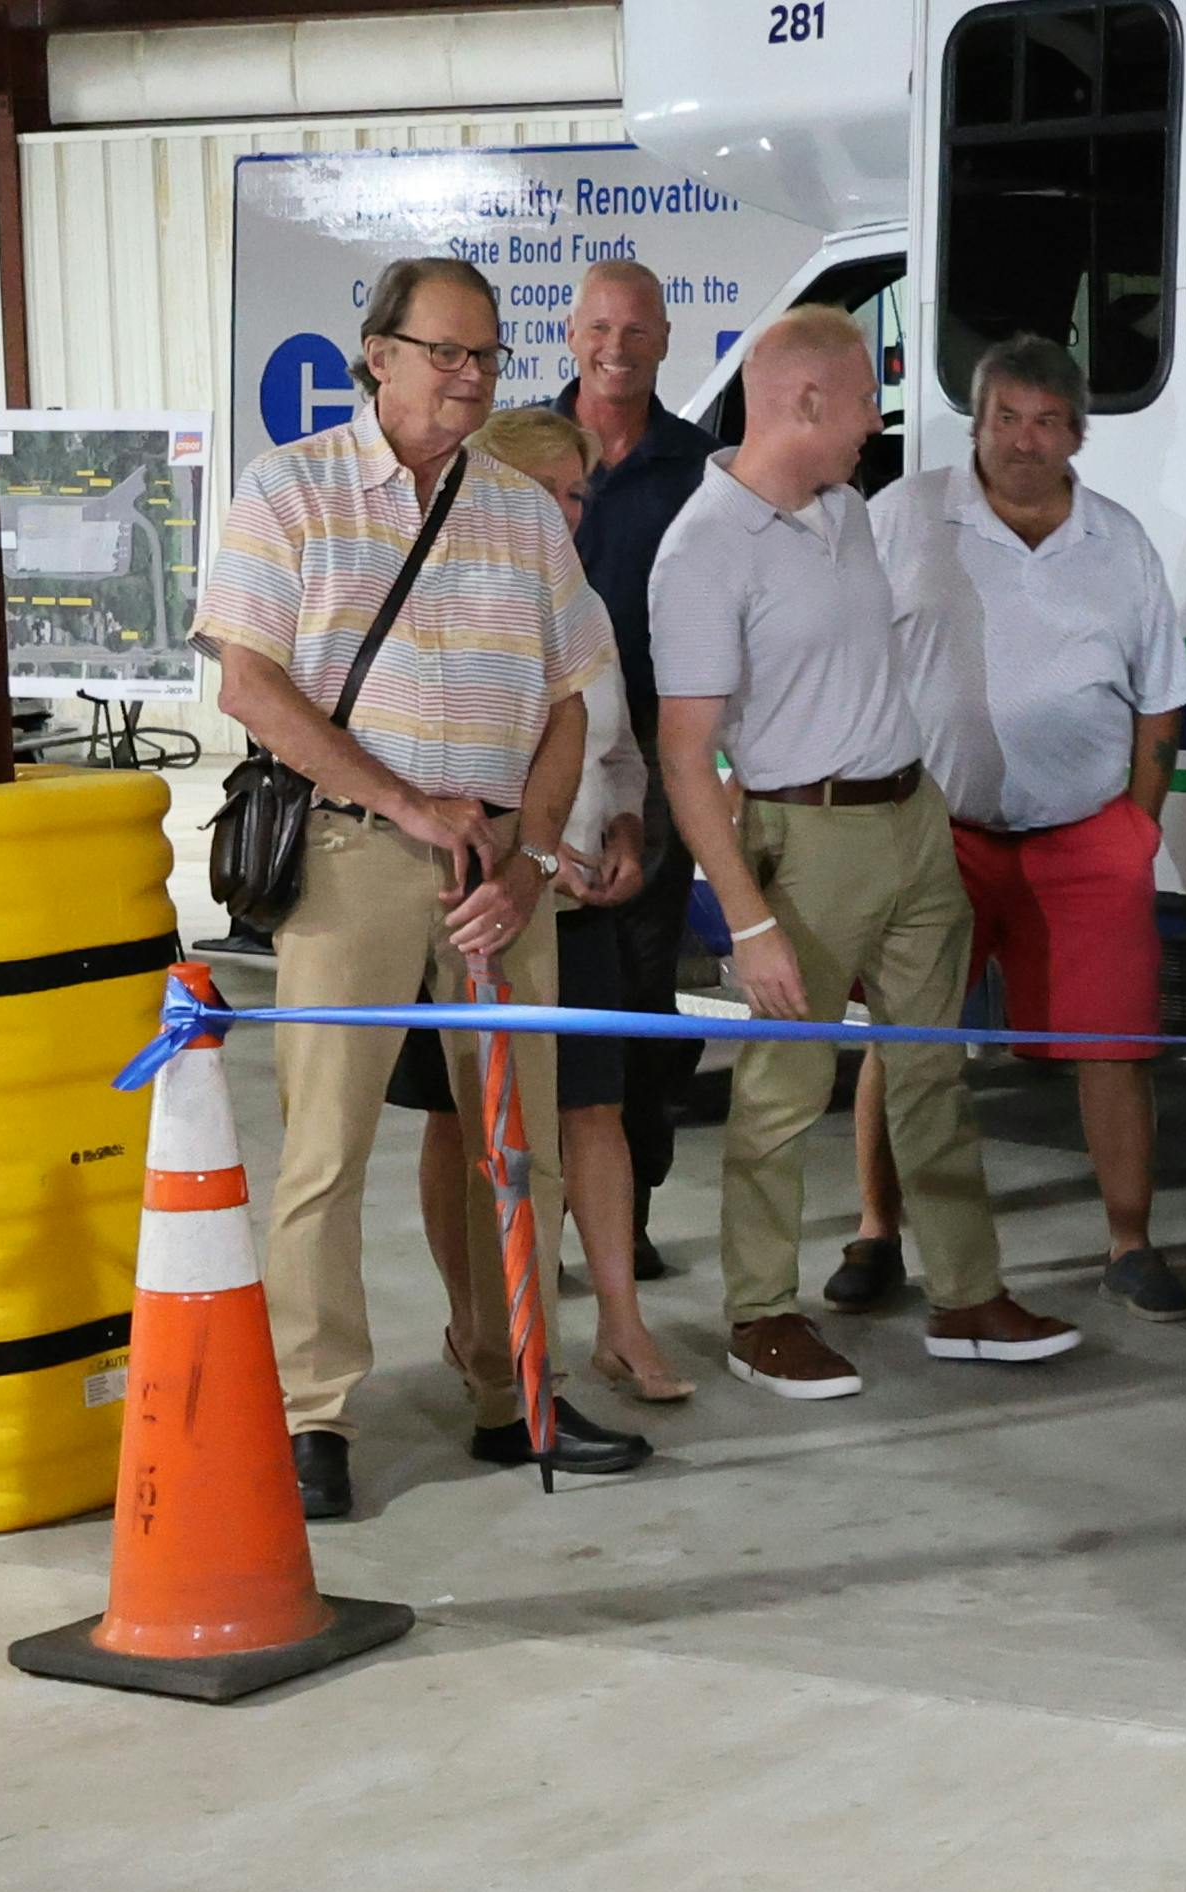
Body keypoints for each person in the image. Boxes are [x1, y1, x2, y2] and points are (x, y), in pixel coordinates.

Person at [196, 255, 649, 1521]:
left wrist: (525, 855)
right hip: (354, 860)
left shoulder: (518, 512)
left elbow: (569, 702)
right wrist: (409, 806)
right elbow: (249, 686)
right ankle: (313, 1417)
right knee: (326, 1151)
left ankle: (519, 1396)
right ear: (377, 355)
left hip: (502, 872)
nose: (467, 377)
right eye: (444, 352)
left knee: (521, 1154)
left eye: (487, 357)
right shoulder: (290, 492)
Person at [649, 303, 1080, 1399]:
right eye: (861, 402)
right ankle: (759, 1314)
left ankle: (967, 1297)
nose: (873, 424)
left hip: (911, 821)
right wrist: (749, 922)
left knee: (935, 1071)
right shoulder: (702, 552)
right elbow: (687, 757)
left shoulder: (844, 511)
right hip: (807, 843)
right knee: (784, 1092)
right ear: (804, 402)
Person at [843, 334, 1186, 1325]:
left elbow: (1161, 700)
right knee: (907, 1040)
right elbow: (840, 650)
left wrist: (1137, 824)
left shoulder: (1118, 541)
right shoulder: (903, 517)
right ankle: (876, 1231)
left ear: (1078, 434)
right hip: (935, 831)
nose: (1026, 441)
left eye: (1047, 422)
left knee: (1115, 1043)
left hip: (1086, 836)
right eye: (1008, 418)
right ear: (978, 422)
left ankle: (1129, 1242)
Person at [383, 407, 695, 1406]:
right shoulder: (441, 604)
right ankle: (480, 1330)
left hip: (581, 897)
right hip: (478, 905)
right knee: (460, 1120)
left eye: (580, 493)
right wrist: (536, 858)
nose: (574, 510)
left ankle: (619, 1324)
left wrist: (631, 833)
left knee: (594, 1110)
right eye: (559, 491)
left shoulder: (585, 604)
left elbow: (618, 751)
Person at [551, 258, 722, 1283]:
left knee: (645, 998)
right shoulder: (516, 455)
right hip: (531, 767)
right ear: (572, 335)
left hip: (654, 770)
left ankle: (630, 1208)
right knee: (538, 998)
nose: (617, 347)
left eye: (638, 330)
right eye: (599, 327)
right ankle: (538, 1206)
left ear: (666, 340)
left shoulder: (702, 471)